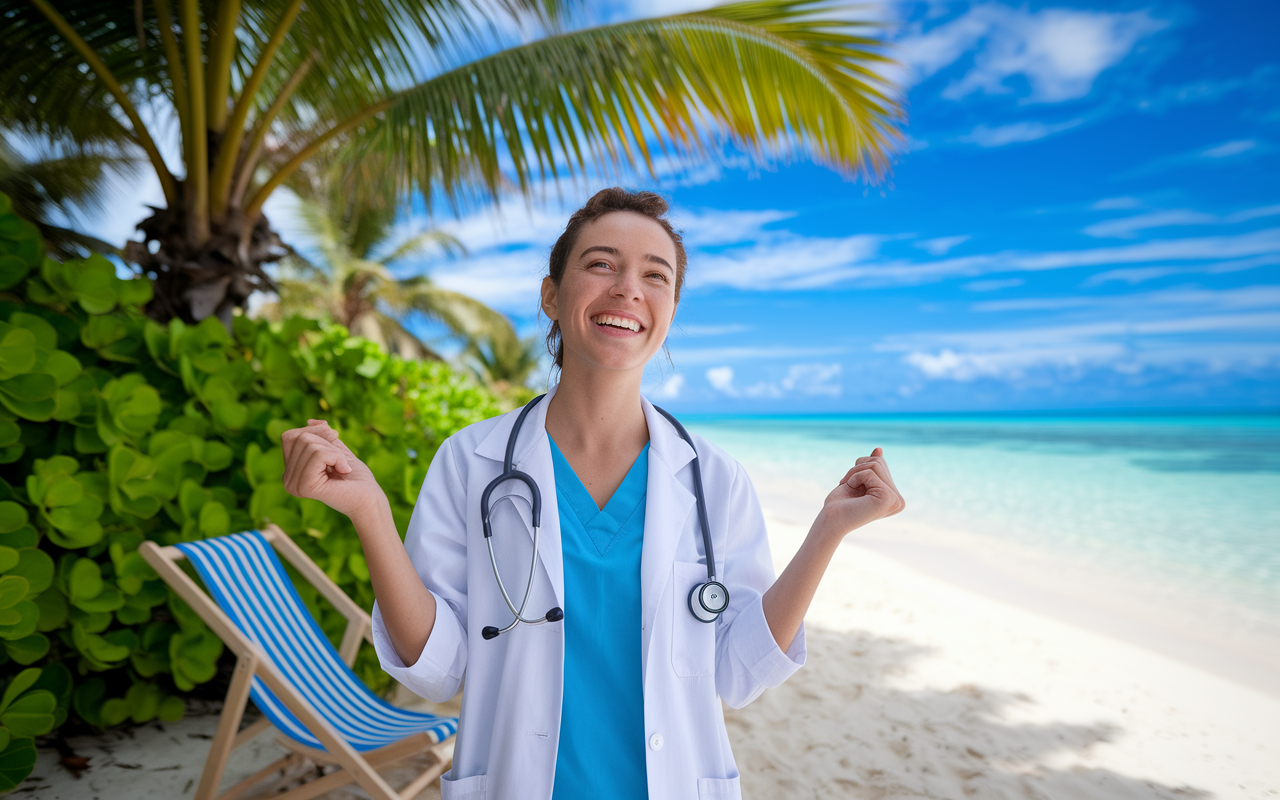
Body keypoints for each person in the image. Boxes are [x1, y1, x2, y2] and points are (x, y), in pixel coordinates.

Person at [280, 187, 906, 800]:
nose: (629, 287)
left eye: (655, 275)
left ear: (671, 311)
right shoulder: (471, 462)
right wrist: (368, 511)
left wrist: (828, 530)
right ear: (551, 295)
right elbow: (440, 666)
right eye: (601, 264)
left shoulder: (714, 479)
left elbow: (738, 673)